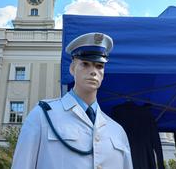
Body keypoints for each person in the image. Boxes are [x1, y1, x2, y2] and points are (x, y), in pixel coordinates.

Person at [11, 32, 133, 169]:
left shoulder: (117, 130)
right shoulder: (42, 116)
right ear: (72, 69)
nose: (93, 71)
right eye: (85, 64)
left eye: (99, 66)